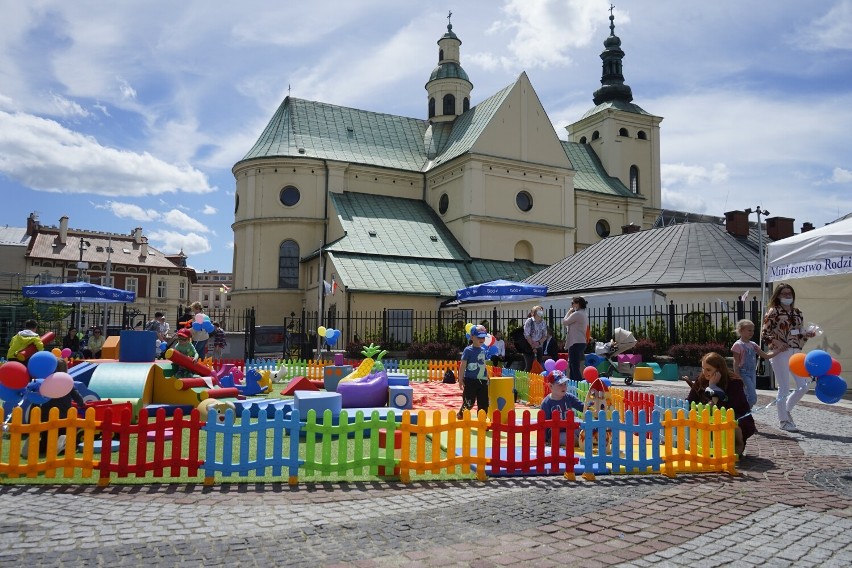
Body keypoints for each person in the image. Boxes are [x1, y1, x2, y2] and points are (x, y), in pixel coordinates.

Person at [761, 283, 815, 432]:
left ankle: (786, 410)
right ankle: (783, 420)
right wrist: (776, 341)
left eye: (789, 293)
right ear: (778, 296)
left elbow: (797, 332)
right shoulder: (773, 312)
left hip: (795, 351)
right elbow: (765, 333)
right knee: (784, 387)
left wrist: (806, 334)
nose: (787, 296)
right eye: (784, 293)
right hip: (780, 352)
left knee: (803, 385)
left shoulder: (798, 312)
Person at [682, 352, 755, 456]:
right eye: (703, 368)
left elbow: (729, 407)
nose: (705, 372)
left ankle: (739, 444)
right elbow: (690, 400)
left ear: (719, 369)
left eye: (708, 369)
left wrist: (713, 387)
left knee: (731, 422)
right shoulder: (701, 379)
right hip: (710, 417)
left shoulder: (734, 382)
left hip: (738, 417)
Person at [731, 319, 775, 407]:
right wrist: (738, 377)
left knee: (748, 394)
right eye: (749, 330)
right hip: (743, 373)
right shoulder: (738, 345)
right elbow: (736, 363)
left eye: (753, 330)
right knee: (752, 398)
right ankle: (745, 411)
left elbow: (765, 356)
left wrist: (778, 351)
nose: (751, 332)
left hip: (752, 373)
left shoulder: (753, 345)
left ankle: (745, 413)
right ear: (741, 330)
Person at [540, 371, 584, 447]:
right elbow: (543, 424)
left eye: (565, 384)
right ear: (550, 386)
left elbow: (581, 406)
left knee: (585, 433)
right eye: (560, 384)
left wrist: (589, 406)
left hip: (569, 426)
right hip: (556, 432)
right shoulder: (546, 403)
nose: (564, 387)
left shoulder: (569, 397)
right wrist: (545, 440)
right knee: (574, 440)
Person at [457, 325, 489, 419]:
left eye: (483, 337)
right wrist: (460, 378)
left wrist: (487, 376)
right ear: (472, 337)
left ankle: (482, 420)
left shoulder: (483, 350)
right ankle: (461, 414)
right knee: (469, 402)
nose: (481, 339)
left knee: (483, 402)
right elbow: (463, 365)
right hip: (470, 380)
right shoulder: (468, 350)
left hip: (482, 380)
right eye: (479, 337)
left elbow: (483, 365)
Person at [562, 296, 589, 383]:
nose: (572, 305)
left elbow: (565, 322)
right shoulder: (583, 313)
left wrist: (569, 311)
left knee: (574, 366)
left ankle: (577, 384)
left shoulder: (577, 314)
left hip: (575, 342)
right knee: (573, 365)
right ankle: (574, 383)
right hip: (580, 342)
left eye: (573, 303)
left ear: (578, 304)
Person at [522, 305, 548, 372]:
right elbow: (527, 334)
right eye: (539, 310)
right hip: (529, 346)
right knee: (529, 366)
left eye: (541, 310)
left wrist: (539, 342)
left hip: (539, 346)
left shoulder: (543, 322)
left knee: (538, 366)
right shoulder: (529, 321)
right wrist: (533, 346)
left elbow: (545, 335)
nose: (541, 312)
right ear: (535, 312)